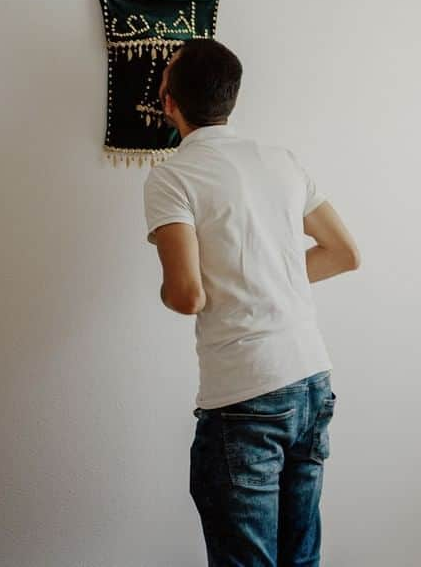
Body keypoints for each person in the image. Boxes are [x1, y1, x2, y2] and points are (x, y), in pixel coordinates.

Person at [143, 38, 361, 567]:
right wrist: (271, 278)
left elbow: (187, 294)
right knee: (299, 558)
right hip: (311, 377)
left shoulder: (172, 176)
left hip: (246, 396)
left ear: (169, 102)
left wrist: (172, 287)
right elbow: (343, 253)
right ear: (230, 100)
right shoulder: (280, 160)